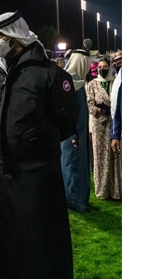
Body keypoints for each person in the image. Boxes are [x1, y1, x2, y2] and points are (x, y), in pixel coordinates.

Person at [0, 11, 76, 278]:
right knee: (0, 247)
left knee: (40, 246)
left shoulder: (50, 74)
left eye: (2, 36)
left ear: (17, 36)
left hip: (36, 175)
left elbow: (65, 123)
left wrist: (32, 143)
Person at [61, 47, 92, 212]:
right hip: (72, 135)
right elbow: (67, 112)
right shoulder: (69, 83)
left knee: (81, 165)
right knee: (72, 165)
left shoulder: (78, 81)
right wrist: (73, 134)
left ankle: (82, 199)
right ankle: (74, 201)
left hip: (80, 132)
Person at [86, 58, 122, 200]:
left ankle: (115, 190)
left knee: (115, 157)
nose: (102, 69)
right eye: (100, 66)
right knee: (100, 156)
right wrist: (101, 110)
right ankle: (102, 190)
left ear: (110, 67)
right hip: (99, 125)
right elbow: (89, 104)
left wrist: (110, 109)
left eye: (105, 66)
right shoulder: (92, 84)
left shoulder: (115, 82)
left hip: (113, 123)